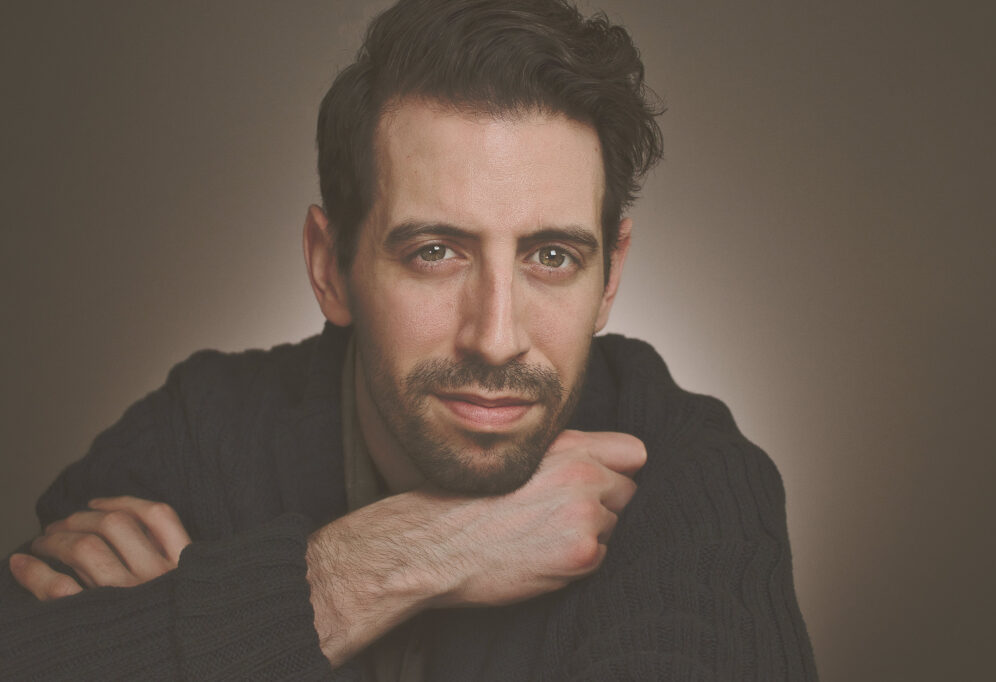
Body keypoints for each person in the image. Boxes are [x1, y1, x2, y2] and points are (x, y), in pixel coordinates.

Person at [0, 0, 816, 679]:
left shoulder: (695, 480)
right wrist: (382, 565)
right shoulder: (202, 434)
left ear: (610, 277)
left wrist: (186, 628)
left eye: (552, 256)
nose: (496, 338)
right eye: (435, 253)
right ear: (330, 268)